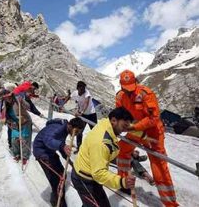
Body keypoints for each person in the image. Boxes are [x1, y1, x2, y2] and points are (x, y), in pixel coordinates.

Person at [116, 70, 179, 206]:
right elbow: (120, 114)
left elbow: (153, 118)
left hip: (153, 132)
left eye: (131, 88)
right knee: (122, 151)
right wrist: (121, 126)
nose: (129, 92)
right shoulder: (120, 97)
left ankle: (170, 204)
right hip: (135, 129)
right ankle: (123, 183)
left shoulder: (146, 94)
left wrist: (134, 127)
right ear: (121, 86)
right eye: (126, 89)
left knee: (159, 166)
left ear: (136, 82)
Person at [71, 107, 136, 207]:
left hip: (89, 174)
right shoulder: (101, 142)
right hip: (84, 179)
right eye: (124, 125)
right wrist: (121, 182)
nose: (124, 130)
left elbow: (108, 150)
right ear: (114, 120)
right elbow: (98, 173)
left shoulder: (105, 126)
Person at [33, 117, 85, 207]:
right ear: (70, 125)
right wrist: (62, 145)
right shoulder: (57, 128)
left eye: (78, 133)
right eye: (76, 132)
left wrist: (70, 161)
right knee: (56, 179)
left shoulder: (65, 130)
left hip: (50, 152)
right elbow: (48, 140)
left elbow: (61, 146)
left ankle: (57, 197)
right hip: (42, 153)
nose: (76, 135)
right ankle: (58, 203)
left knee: (62, 173)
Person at [65, 81, 97, 154]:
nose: (83, 90)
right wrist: (63, 104)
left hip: (91, 114)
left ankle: (95, 148)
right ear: (78, 88)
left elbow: (86, 102)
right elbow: (69, 97)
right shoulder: (75, 93)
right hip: (82, 115)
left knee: (95, 131)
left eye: (84, 89)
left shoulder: (87, 93)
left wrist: (81, 112)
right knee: (79, 131)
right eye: (81, 89)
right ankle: (79, 148)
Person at [3, 92, 32, 164]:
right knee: (14, 139)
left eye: (9, 97)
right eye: (6, 97)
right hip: (15, 123)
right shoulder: (5, 104)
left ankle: (25, 156)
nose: (8, 99)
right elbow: (4, 115)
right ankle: (17, 154)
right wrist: (8, 121)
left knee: (25, 139)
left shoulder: (18, 100)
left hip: (25, 121)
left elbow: (28, 107)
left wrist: (22, 101)